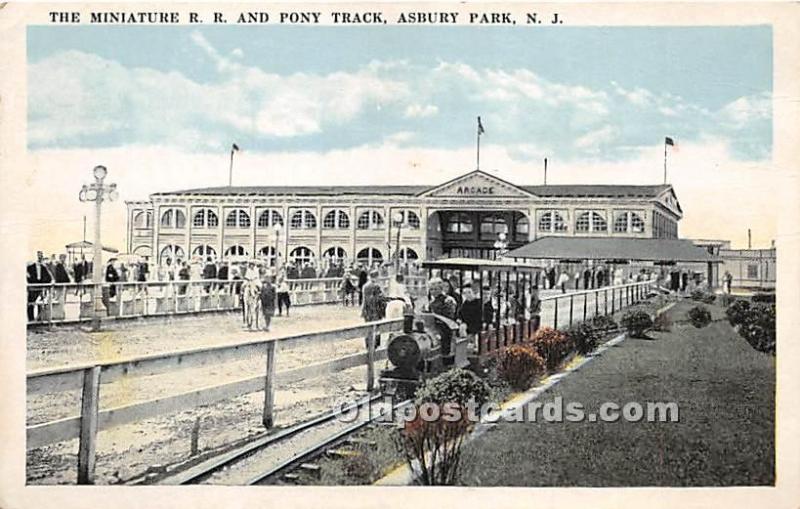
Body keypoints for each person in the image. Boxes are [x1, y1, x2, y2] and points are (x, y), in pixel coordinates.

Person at [361, 270, 386, 347]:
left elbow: (364, 300)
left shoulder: (365, 286)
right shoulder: (376, 286)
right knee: (377, 328)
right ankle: (376, 344)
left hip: (367, 309)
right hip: (375, 310)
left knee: (368, 327)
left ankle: (368, 344)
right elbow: (381, 298)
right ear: (376, 277)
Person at [27, 251, 53, 321]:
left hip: (41, 287)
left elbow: (49, 278)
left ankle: (39, 318)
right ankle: (31, 319)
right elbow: (26, 276)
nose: (39, 258)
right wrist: (30, 282)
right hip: (33, 287)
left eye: (41, 256)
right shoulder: (29, 267)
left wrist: (45, 284)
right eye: (38, 256)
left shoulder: (44, 267)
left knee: (40, 303)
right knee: (31, 303)